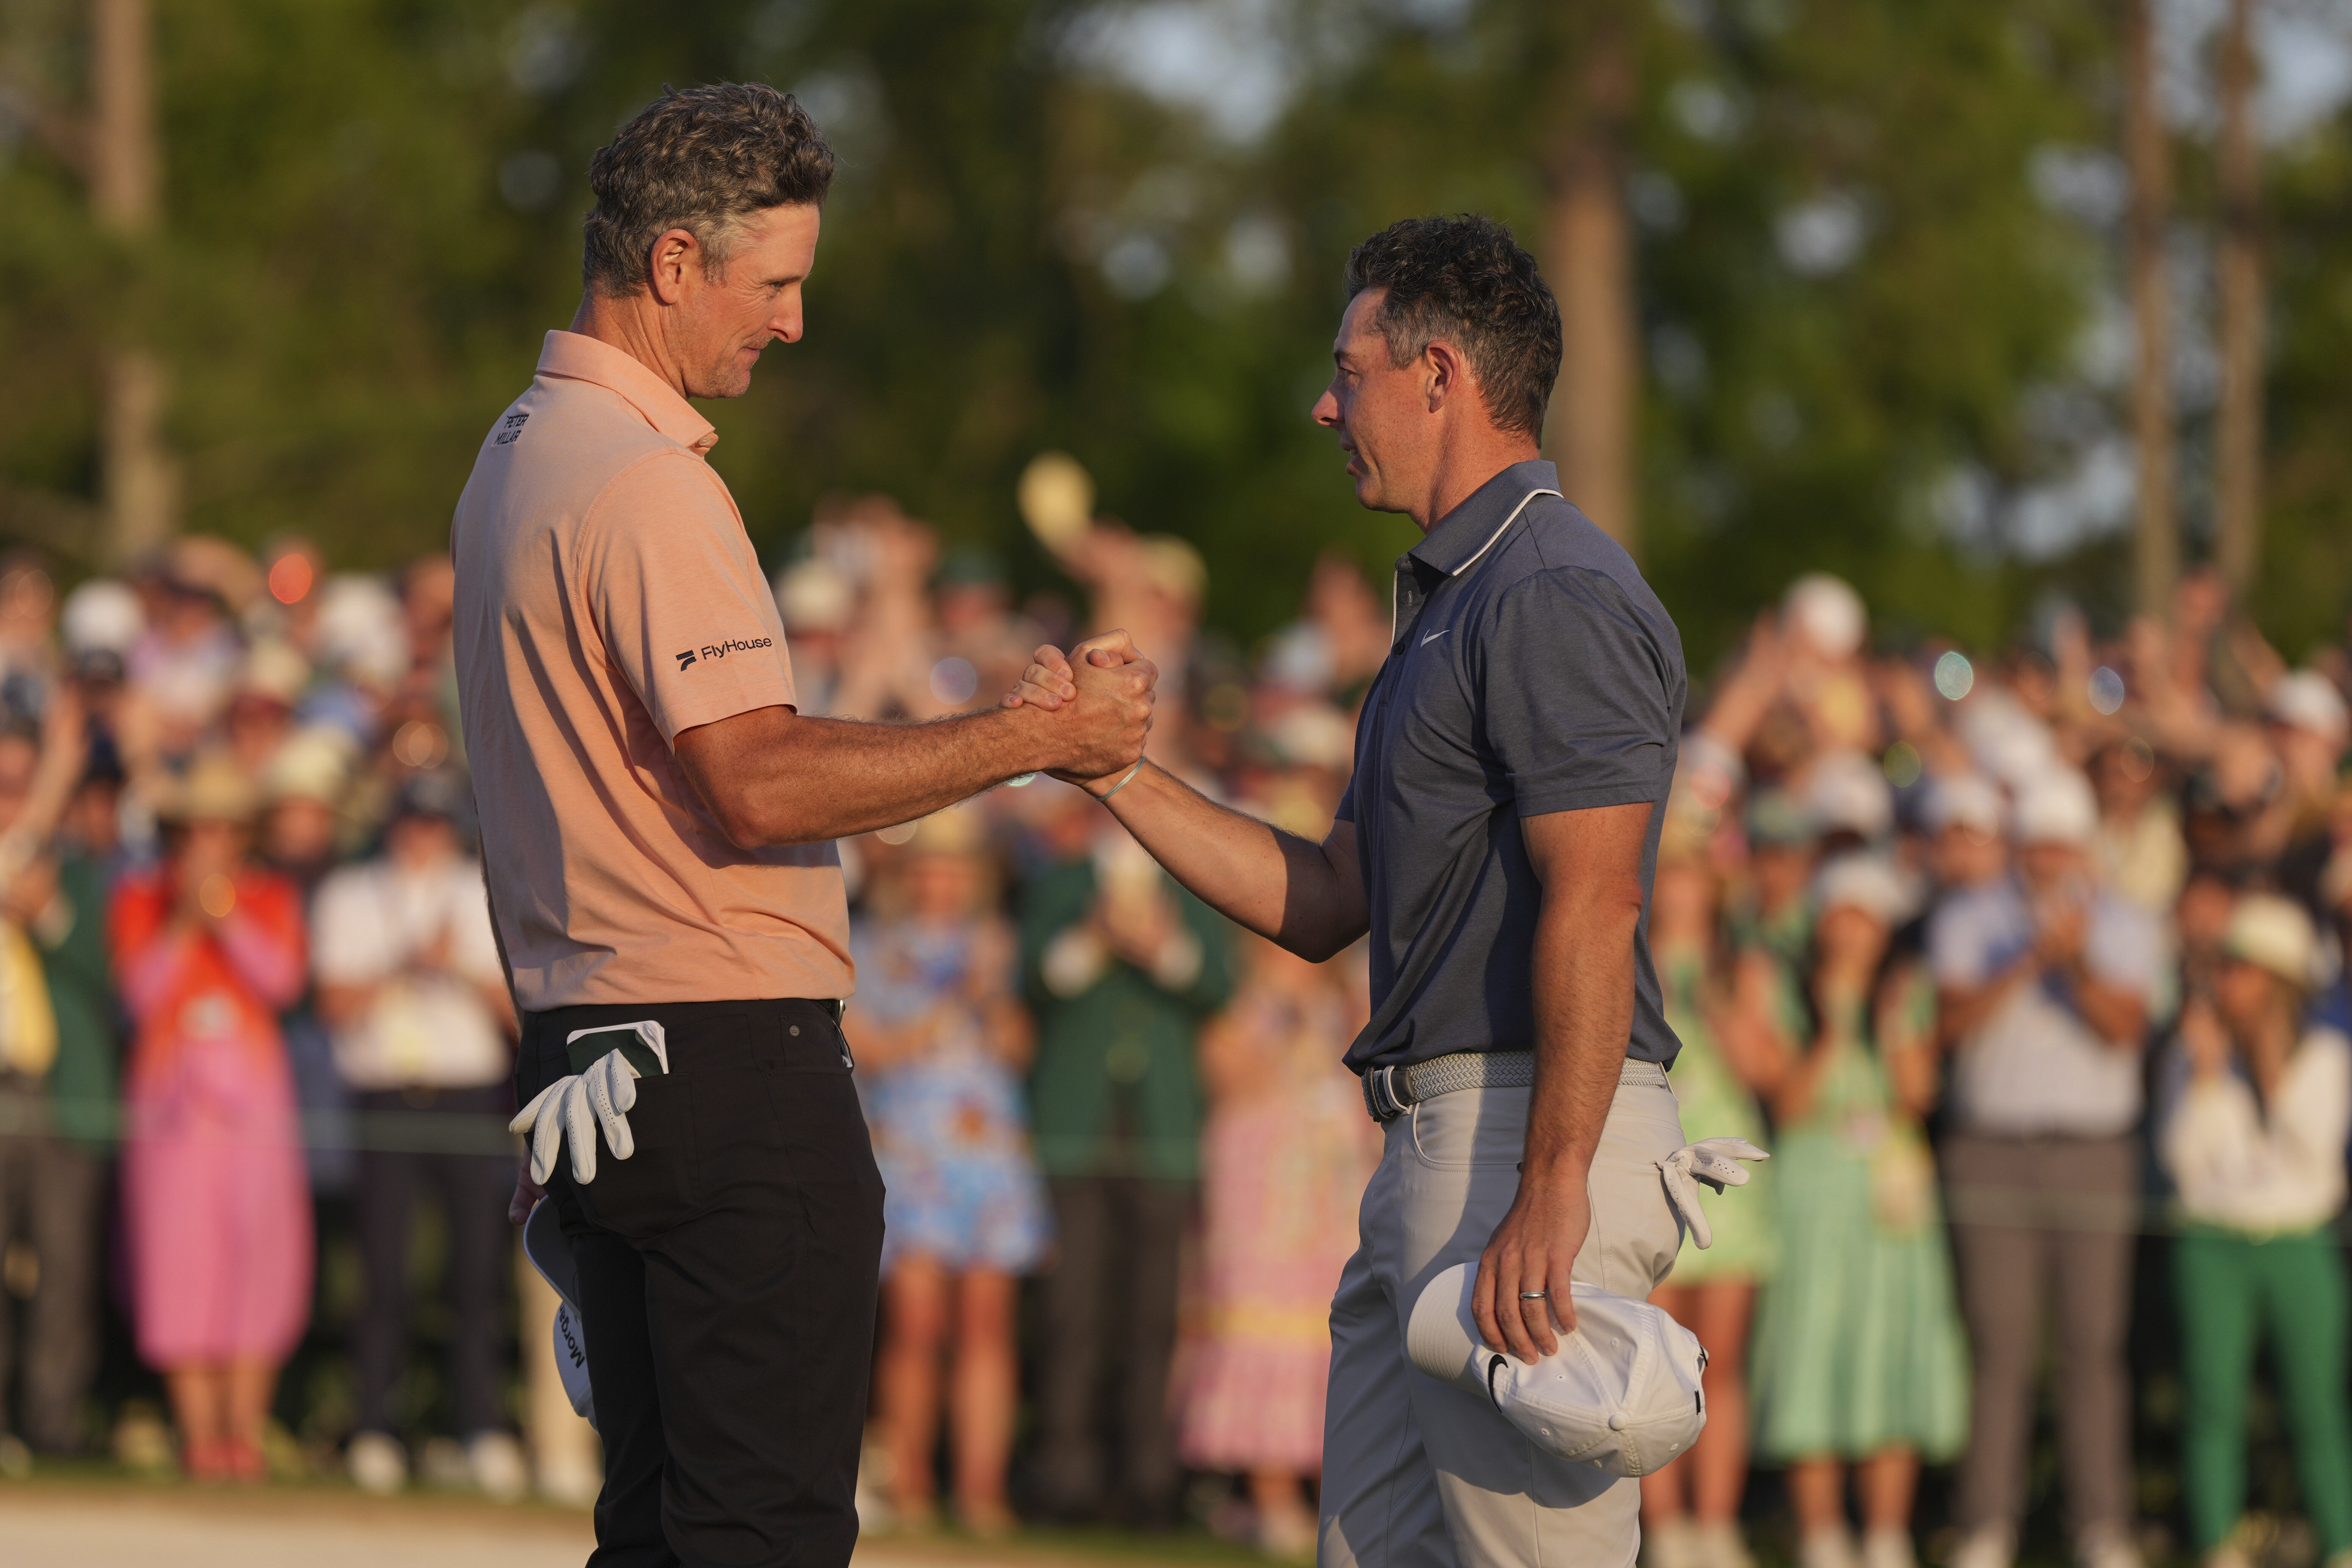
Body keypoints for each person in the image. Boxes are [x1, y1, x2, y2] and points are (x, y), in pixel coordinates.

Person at [448, 83, 1151, 1568]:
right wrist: (1035, 737)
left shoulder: (514, 451)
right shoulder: (646, 480)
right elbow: (757, 778)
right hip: (723, 1065)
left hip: (591, 1055)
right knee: (762, 1531)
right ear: (674, 263)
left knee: (653, 1529)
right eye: (775, 283)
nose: (794, 320)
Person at [1011, 214, 1695, 1568]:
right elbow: (1328, 896)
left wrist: (1549, 1183)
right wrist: (1111, 770)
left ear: (1438, 375)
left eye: (1348, 370)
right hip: (1446, 1144)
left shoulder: (1547, 588)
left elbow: (1596, 900)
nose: (1326, 406)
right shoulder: (1452, 599)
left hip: (1522, 1137)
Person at [1934, 769, 2158, 1568]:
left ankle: (2101, 1525)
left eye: (2062, 844)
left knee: (2092, 1347)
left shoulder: (2126, 922)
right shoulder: (1968, 918)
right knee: (1997, 1344)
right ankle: (1986, 1524)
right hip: (1991, 1147)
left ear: (2084, 846)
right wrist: (2030, 958)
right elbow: (1949, 1025)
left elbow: (2124, 1030)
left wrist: (2077, 963)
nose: (2049, 859)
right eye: (2038, 844)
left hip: (2093, 1152)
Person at [1744, 855, 1967, 1568]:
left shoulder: (1908, 992)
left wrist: (1890, 1017)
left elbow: (1916, 1094)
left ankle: (1885, 1534)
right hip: (1813, 1182)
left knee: (1891, 1342)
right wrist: (1834, 1019)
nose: (1850, 931)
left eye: (1865, 916)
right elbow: (1790, 1102)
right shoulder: (1787, 988)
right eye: (1840, 913)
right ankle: (1821, 1534)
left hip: (1889, 1187)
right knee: (1811, 1339)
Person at [311, 770, 525, 1500]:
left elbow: (517, 1010)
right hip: (385, 1095)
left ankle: (482, 1427)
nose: (422, 836)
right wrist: (404, 964)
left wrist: (452, 966)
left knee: (476, 1273)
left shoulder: (480, 890)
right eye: (413, 821)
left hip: (467, 1096)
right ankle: (374, 1426)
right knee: (382, 1271)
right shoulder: (351, 893)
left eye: (435, 823)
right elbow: (334, 1003)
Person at [1019, 793, 1231, 1526]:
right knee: (1070, 1312)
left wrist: (1161, 947)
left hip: (1162, 1130)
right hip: (1075, 1130)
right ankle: (1064, 1474)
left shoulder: (1191, 887)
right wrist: (1096, 936)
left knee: (1153, 1316)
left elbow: (1217, 983)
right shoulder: (1060, 883)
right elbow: (1037, 980)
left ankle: (1147, 1478)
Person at [843, 807, 1049, 1535]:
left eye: (955, 867)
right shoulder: (871, 945)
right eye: (930, 865)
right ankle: (911, 1483)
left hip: (987, 1148)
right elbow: (864, 1049)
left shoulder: (997, 945)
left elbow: (1019, 1048)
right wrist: (938, 1013)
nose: (941, 879)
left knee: (988, 1323)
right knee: (916, 1321)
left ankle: (981, 1489)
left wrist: (989, 992)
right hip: (910, 1146)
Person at [112, 752, 312, 1482]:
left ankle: (242, 1435)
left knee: (257, 1257)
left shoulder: (271, 897)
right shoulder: (140, 897)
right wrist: (183, 920)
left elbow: (281, 981)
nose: (210, 840)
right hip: (171, 1107)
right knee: (178, 1260)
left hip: (254, 1102)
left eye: (223, 827)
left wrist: (223, 917)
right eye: (197, 827)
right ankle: (199, 1437)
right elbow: (140, 993)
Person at [2160, 895, 2352, 1568]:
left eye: (2238, 967)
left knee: (2316, 1405)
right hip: (2212, 1242)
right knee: (2212, 1401)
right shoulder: (2192, 1056)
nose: (2224, 980)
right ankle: (2217, 1543)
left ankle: (2340, 1541)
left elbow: (2314, 1153)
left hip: (2299, 1242)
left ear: (2276, 981)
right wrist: (2208, 1076)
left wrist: (2270, 1069)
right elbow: (2183, 1161)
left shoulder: (2326, 1056)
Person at [1181, 919, 1379, 1559]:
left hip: (1333, 1187)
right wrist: (1281, 1022)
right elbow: (1226, 1079)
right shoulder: (1238, 1000)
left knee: (1338, 1332)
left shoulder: (1350, 996)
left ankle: (1338, 1498)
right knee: (1261, 1324)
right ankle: (1271, 1499)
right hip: (1262, 1189)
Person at [1641, 820, 1781, 1568]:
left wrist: (1720, 1004)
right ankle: (1664, 1527)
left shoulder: (1741, 966)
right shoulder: (1626, 958)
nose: (1683, 887)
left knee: (1720, 1362)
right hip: (1650, 1169)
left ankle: (1716, 1522)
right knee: (1653, 1355)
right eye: (1672, 870)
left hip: (1730, 1180)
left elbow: (1766, 1071)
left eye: (1696, 872)